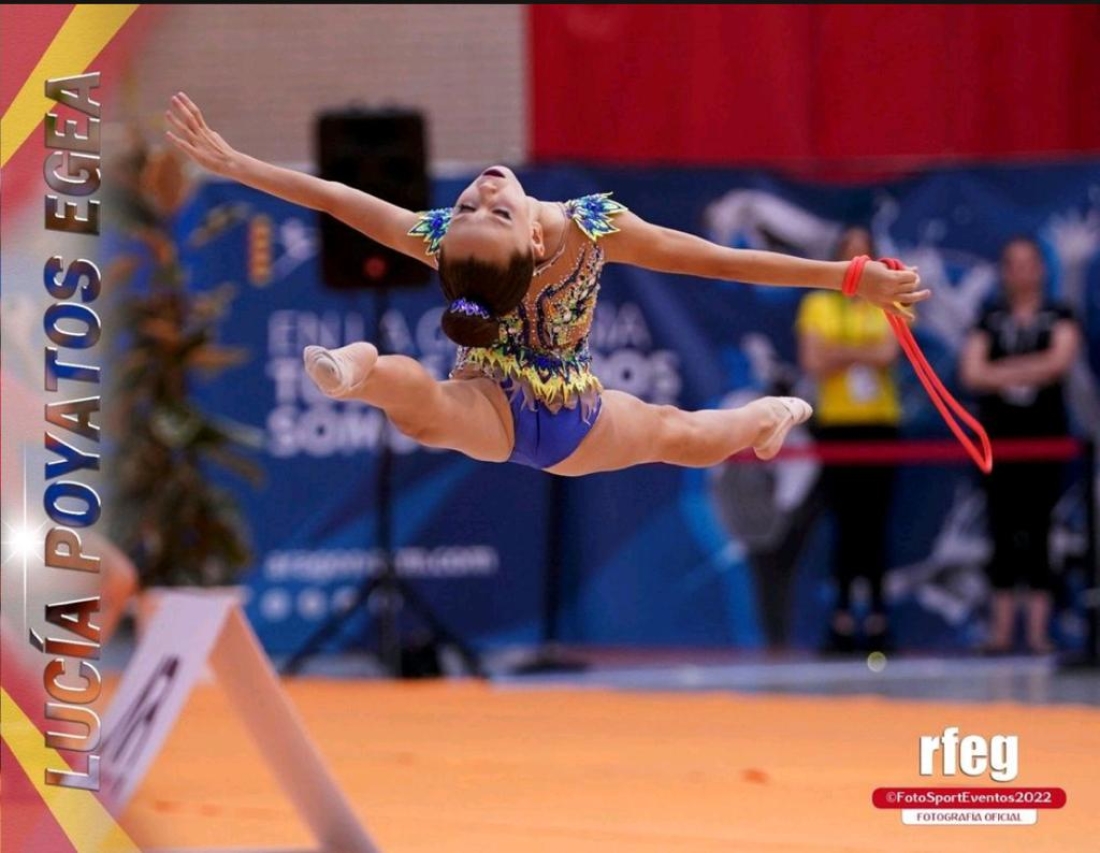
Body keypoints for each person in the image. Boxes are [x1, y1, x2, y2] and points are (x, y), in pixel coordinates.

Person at [165, 93, 927, 477]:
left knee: (681, 433)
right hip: (489, 398)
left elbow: (716, 258)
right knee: (425, 411)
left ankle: (765, 416)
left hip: (572, 412)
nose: (481, 191)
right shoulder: (459, 241)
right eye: (477, 207)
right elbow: (340, 203)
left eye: (477, 205)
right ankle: (358, 368)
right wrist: (242, 168)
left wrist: (846, 276)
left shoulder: (596, 227)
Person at [959, 236, 1081, 655]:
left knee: (1041, 531)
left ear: (1041, 269)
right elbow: (972, 371)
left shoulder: (1058, 314)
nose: (1022, 272)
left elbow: (1059, 361)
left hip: (1044, 439)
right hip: (999, 441)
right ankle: (1002, 632)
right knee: (1002, 530)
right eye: (1013, 264)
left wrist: (1004, 369)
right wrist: (1030, 369)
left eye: (1029, 263)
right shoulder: (990, 317)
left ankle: (1038, 633)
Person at [795, 226, 902, 654]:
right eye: (849, 256)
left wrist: (839, 351)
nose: (858, 264)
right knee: (842, 524)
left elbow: (890, 354)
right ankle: (841, 618)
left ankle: (877, 618)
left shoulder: (887, 301)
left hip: (879, 423)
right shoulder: (818, 303)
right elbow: (813, 361)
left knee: (874, 525)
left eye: (865, 256)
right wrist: (863, 351)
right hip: (837, 424)